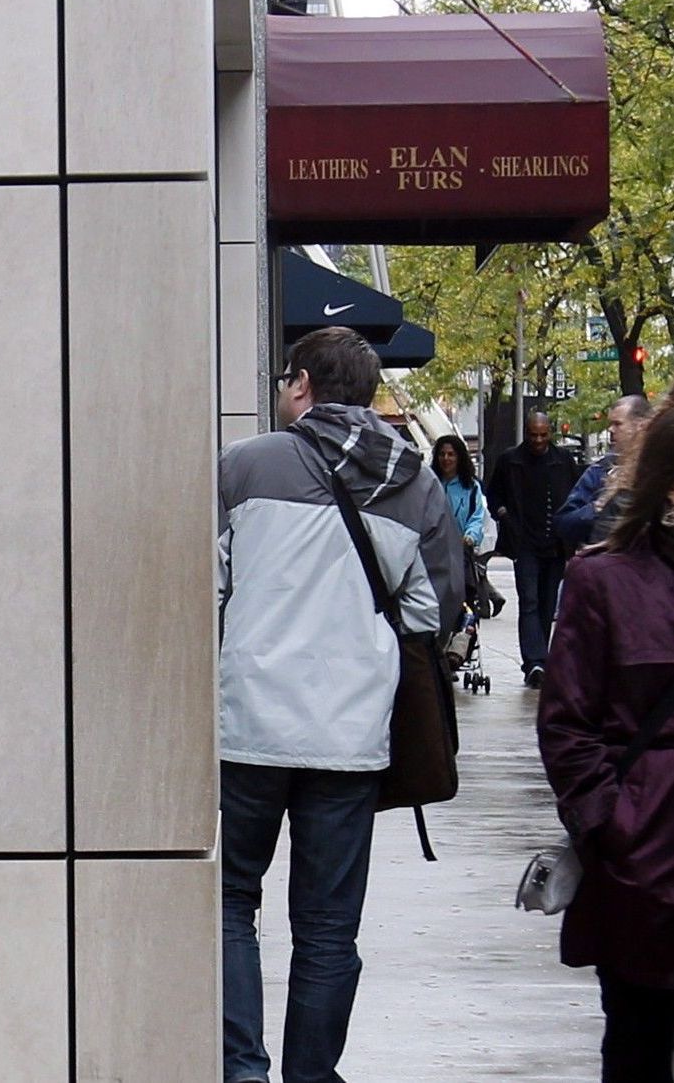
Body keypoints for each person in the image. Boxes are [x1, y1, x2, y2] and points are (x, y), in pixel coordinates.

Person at [218, 327, 464, 1083]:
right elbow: (434, 610)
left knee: (230, 903)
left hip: (249, 725)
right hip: (351, 736)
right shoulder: (415, 484)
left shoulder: (246, 465)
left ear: (300, 386)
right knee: (327, 928)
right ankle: (310, 1075)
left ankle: (242, 1071)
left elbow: (210, 583)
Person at [538, 401, 674, 1082]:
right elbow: (566, 723)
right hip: (642, 864)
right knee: (638, 1043)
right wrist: (612, 822)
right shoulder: (603, 579)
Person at [488, 411, 583, 687]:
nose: (538, 440)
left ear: (550, 433)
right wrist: (505, 515)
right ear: (526, 432)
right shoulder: (510, 461)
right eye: (533, 434)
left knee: (547, 603)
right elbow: (494, 494)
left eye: (543, 435)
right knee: (529, 601)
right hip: (524, 543)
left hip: (555, 544)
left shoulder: (564, 461)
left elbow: (576, 496)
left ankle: (540, 659)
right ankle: (535, 661)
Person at [558, 395, 651, 548]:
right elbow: (564, 523)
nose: (610, 430)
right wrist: (598, 507)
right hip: (607, 563)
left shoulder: (660, 469)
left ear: (640, 426)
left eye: (617, 424)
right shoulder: (599, 470)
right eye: (610, 423)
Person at [432, 434, 491, 616]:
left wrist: (470, 537)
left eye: (451, 454)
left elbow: (477, 517)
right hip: (433, 552)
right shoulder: (429, 483)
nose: (446, 459)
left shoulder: (471, 487)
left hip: (460, 553)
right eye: (442, 454)